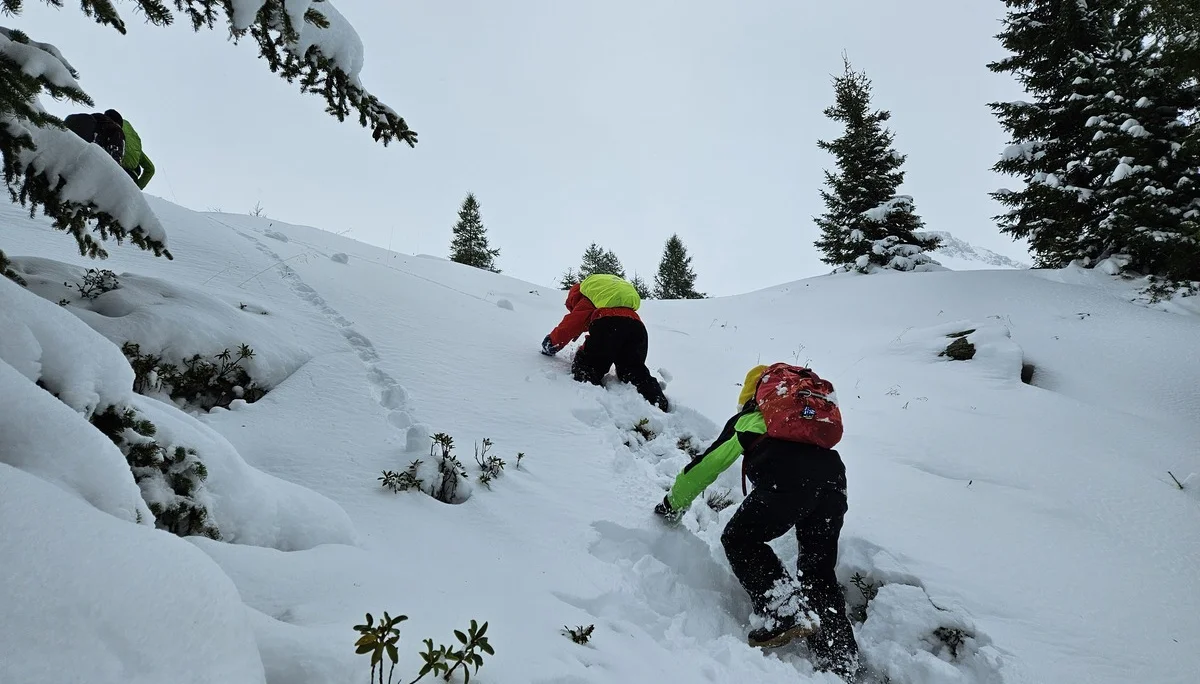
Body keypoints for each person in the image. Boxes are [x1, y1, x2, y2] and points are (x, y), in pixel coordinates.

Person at [653, 364, 859, 679]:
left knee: (740, 538)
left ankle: (783, 611)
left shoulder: (749, 420)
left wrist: (672, 504)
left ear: (753, 396)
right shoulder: (806, 424)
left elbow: (707, 466)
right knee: (818, 571)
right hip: (834, 480)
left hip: (788, 479)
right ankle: (841, 658)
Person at [540, 273, 669, 411]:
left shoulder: (586, 296)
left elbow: (571, 324)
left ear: (574, 298)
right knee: (633, 369)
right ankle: (656, 400)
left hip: (608, 324)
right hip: (637, 327)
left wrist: (552, 342)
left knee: (588, 366)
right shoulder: (606, 294)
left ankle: (596, 406)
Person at [103, 110, 155, 189]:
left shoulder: (113, 129)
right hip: (130, 180)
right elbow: (150, 169)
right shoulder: (137, 152)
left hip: (112, 168)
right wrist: (137, 188)